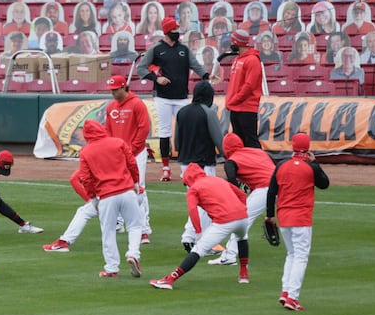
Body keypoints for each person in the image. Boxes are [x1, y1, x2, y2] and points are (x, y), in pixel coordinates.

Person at [149, 162, 250, 290]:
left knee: (198, 250)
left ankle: (170, 279)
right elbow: (241, 195)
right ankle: (243, 274)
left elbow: (192, 210)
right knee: (242, 239)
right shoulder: (217, 179)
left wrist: (198, 232)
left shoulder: (194, 188)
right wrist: (242, 210)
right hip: (242, 217)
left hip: (224, 221)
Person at [136, 17, 210, 182]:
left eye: (178, 30)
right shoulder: (156, 50)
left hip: (182, 97)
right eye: (174, 30)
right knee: (164, 132)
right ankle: (165, 168)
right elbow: (140, 68)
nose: (177, 33)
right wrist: (156, 79)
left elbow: (195, 65)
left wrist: (206, 75)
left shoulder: (184, 49)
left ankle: (187, 167)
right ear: (166, 31)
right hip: (162, 97)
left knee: (186, 131)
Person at [265, 133, 330, 311]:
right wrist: (315, 163)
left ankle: (285, 291)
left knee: (292, 255)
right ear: (308, 147)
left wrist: (269, 215)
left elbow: (271, 192)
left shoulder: (281, 165)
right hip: (301, 217)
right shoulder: (310, 167)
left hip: (284, 217)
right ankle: (292, 297)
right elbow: (325, 184)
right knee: (300, 256)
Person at [75, 119, 142, 278]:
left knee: (108, 231)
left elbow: (85, 178)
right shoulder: (118, 142)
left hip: (106, 196)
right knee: (135, 226)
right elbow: (132, 163)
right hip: (126, 190)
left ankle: (112, 268)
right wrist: (136, 181)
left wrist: (92, 197)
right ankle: (133, 253)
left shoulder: (86, 152)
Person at [208, 133, 273, 266]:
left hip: (264, 189)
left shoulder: (231, 161)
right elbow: (266, 170)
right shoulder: (257, 152)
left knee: (240, 219)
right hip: (282, 186)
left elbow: (233, 181)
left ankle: (229, 256)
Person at [174, 81, 224, 250]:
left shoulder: (182, 112)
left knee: (198, 201)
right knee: (207, 202)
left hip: (186, 164)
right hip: (203, 164)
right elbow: (219, 139)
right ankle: (201, 241)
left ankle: (191, 237)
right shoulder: (208, 112)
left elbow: (177, 141)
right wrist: (228, 157)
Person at [105, 75, 153, 244]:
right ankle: (118, 221)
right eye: (111, 90)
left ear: (124, 87)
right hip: (118, 153)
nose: (113, 93)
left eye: (116, 89)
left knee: (138, 188)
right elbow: (108, 130)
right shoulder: (111, 107)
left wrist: (132, 149)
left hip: (136, 153)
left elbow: (144, 128)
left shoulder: (137, 104)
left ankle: (144, 229)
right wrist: (111, 149)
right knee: (116, 186)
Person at [226, 29, 264, 149]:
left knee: (251, 141)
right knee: (238, 141)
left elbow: (249, 85)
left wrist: (235, 99)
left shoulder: (252, 60)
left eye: (232, 41)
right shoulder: (238, 59)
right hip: (235, 107)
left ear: (237, 42)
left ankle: (261, 166)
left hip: (246, 108)